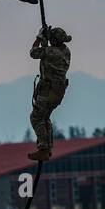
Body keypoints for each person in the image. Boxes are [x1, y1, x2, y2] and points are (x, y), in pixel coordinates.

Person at [27, 25, 72, 161]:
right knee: (45, 118)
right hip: (58, 91)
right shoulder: (66, 51)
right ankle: (48, 147)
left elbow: (33, 53)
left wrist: (39, 37)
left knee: (36, 118)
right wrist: (46, 42)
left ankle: (44, 149)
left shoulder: (51, 52)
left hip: (48, 91)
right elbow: (48, 53)